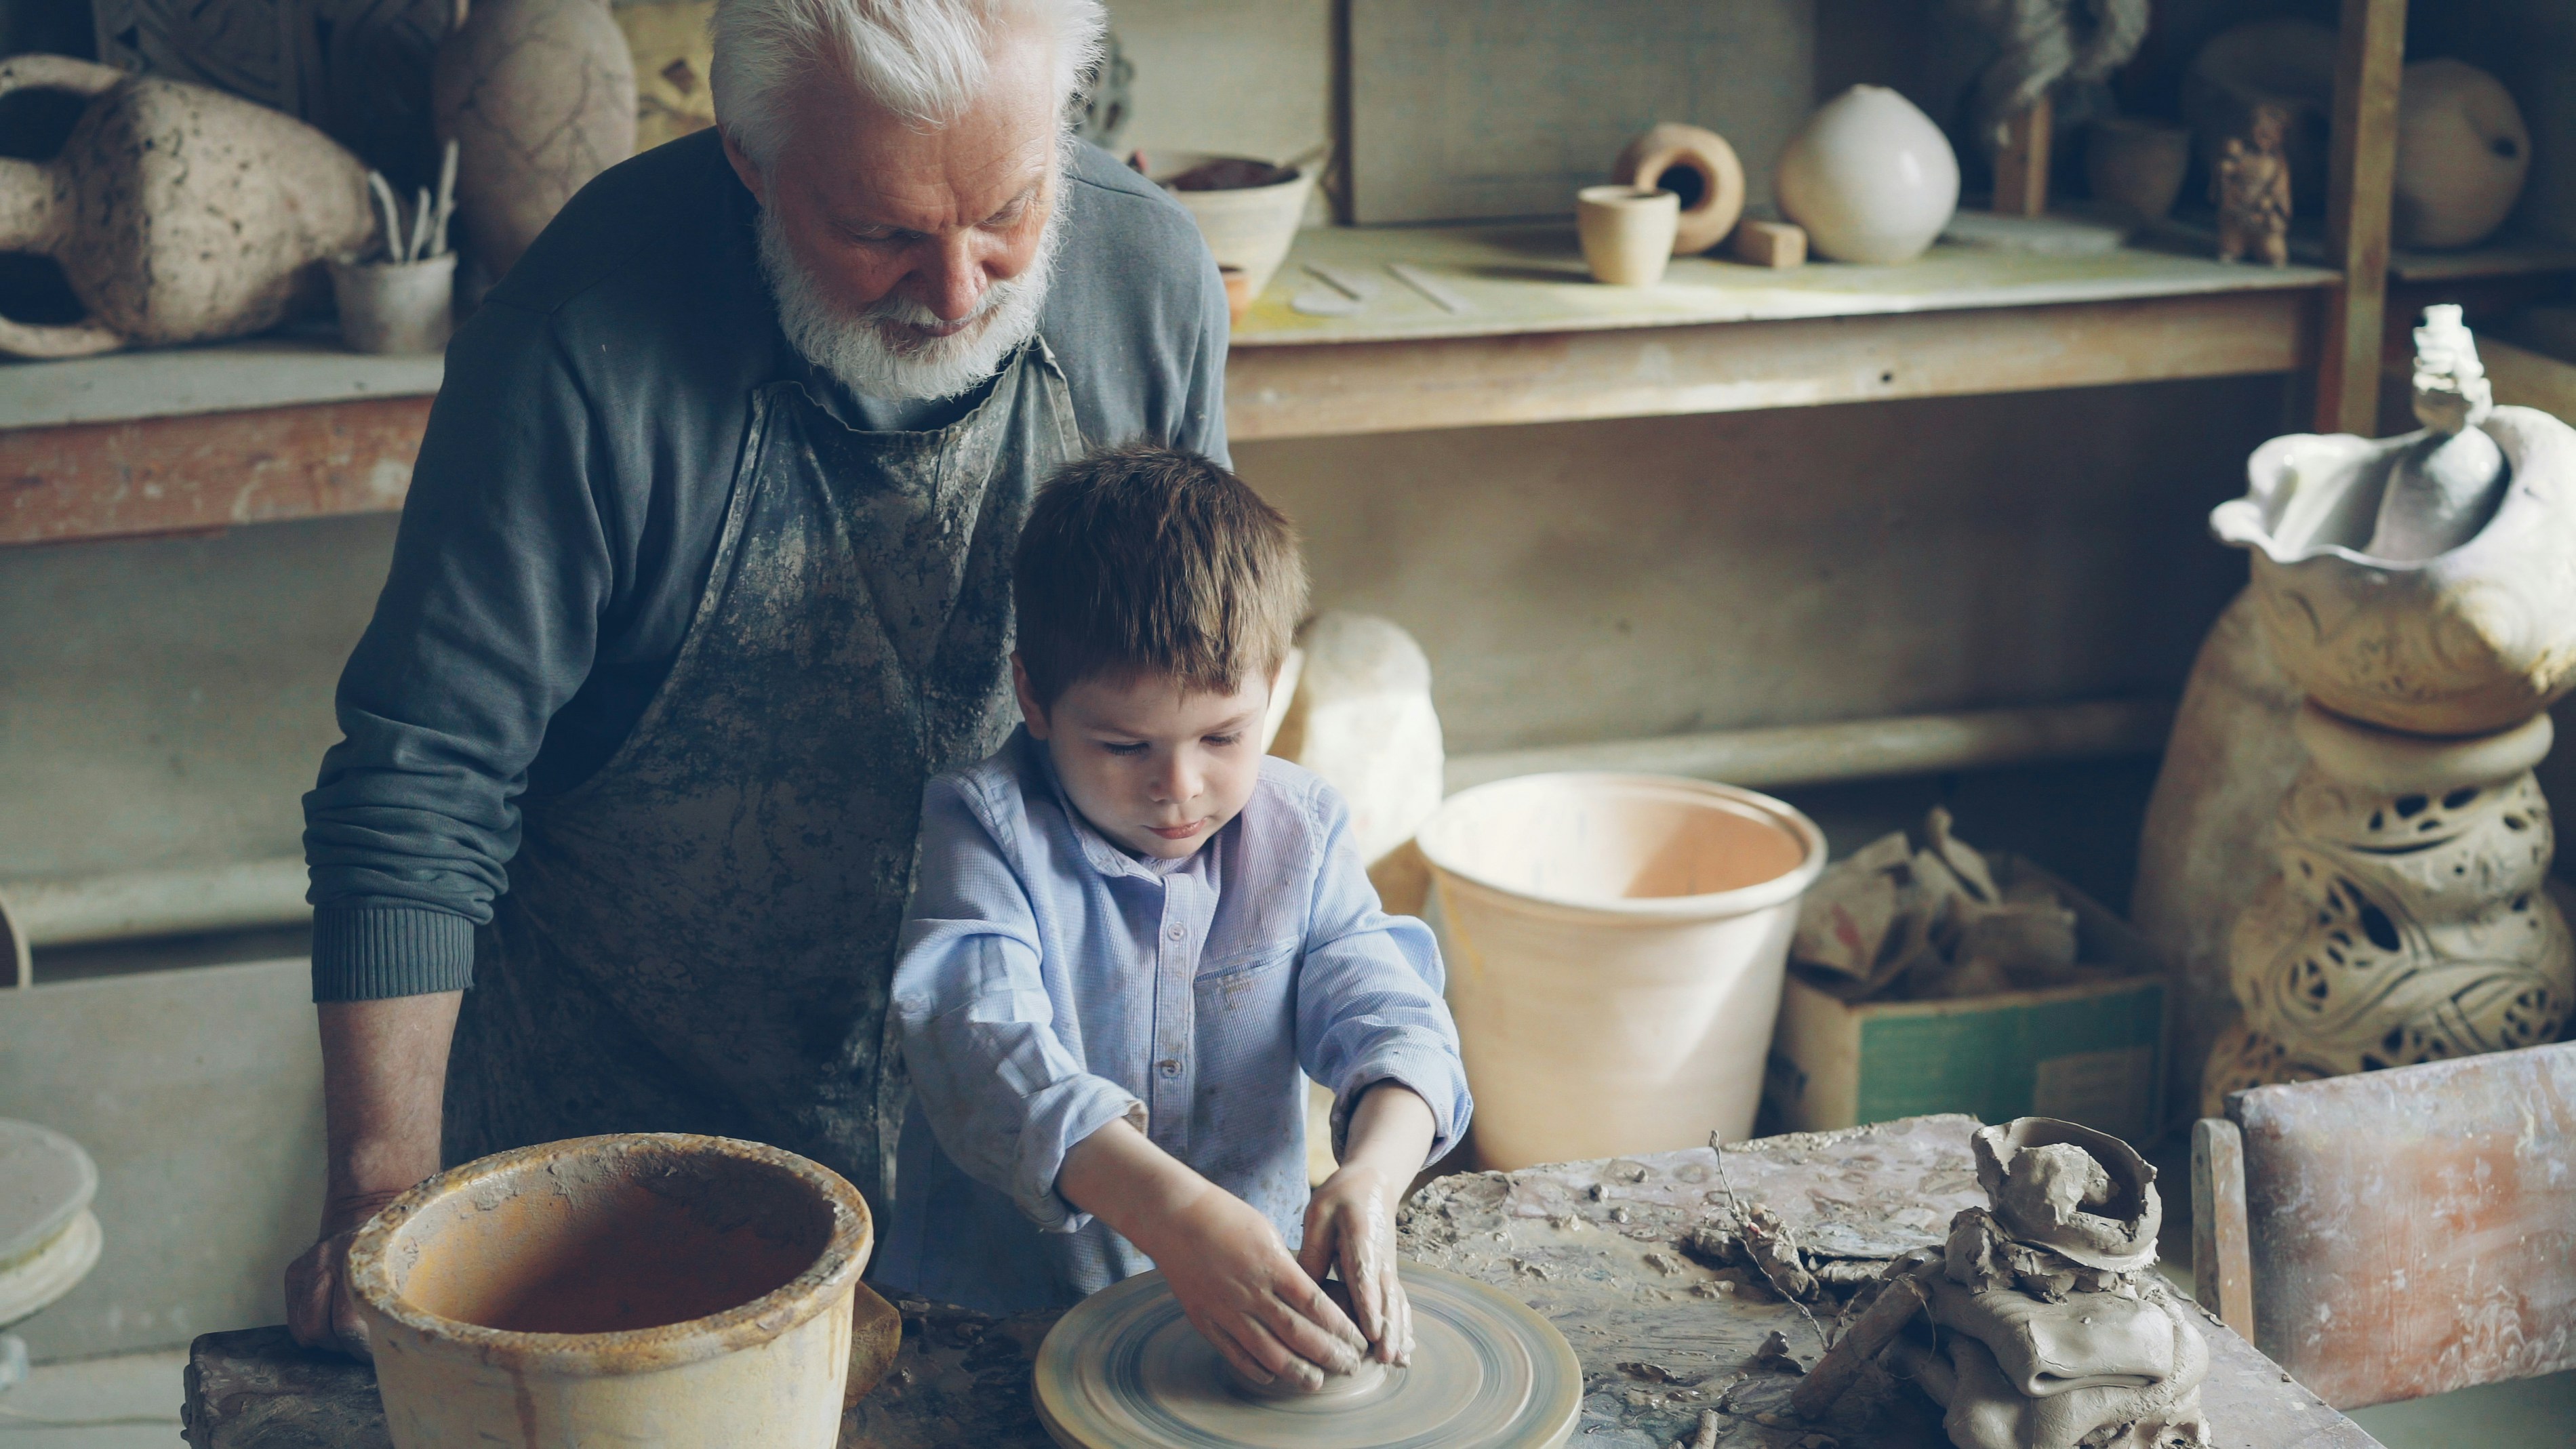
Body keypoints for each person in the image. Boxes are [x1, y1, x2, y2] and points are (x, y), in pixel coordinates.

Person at [286, 0, 1229, 1357]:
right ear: (748, 156)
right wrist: (379, 1193)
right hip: (628, 1175)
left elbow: (1200, 706)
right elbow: (421, 788)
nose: (958, 289)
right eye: (883, 231)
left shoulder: (1147, 283)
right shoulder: (581, 335)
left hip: (1021, 1137)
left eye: (1008, 213)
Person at [877, 446, 1470, 1389]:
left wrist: (1373, 1175)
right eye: (1123, 744)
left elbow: (1391, 1012)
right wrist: (1176, 1216)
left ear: (1276, 686)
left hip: (1240, 1331)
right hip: (1000, 1319)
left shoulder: (1301, 830)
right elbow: (980, 1043)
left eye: (1223, 737)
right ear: (1035, 696)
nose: (1178, 787)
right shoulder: (987, 827)